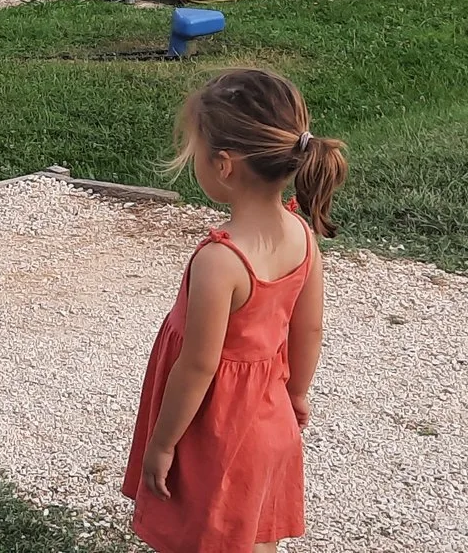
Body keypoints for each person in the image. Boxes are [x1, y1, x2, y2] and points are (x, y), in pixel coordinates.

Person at [124, 68, 346, 553]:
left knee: (205, 533)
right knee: (253, 530)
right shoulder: (301, 236)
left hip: (216, 426)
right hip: (269, 416)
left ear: (223, 166)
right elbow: (309, 328)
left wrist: (162, 443)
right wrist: (298, 393)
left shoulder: (219, 261)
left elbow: (198, 366)